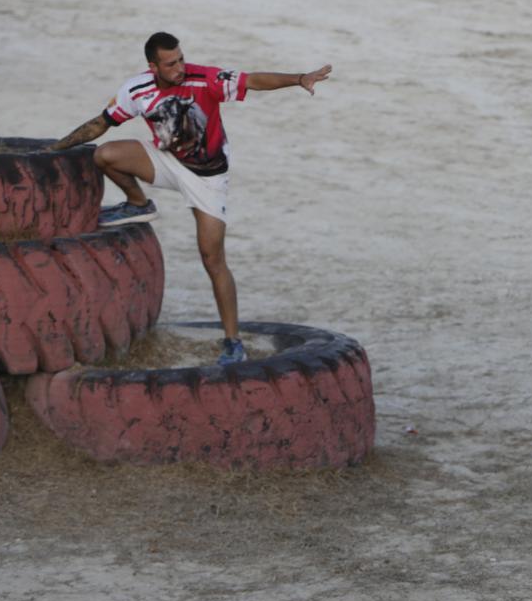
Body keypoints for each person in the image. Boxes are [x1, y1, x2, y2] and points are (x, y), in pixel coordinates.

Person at [51, 32, 332, 365]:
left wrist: (299, 79)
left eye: (181, 59)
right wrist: (53, 149)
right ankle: (138, 203)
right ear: (152, 66)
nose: (180, 67)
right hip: (165, 161)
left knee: (212, 259)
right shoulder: (136, 90)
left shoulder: (205, 79)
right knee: (105, 155)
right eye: (171, 63)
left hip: (208, 178)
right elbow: (102, 123)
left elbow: (253, 79)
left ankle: (233, 343)